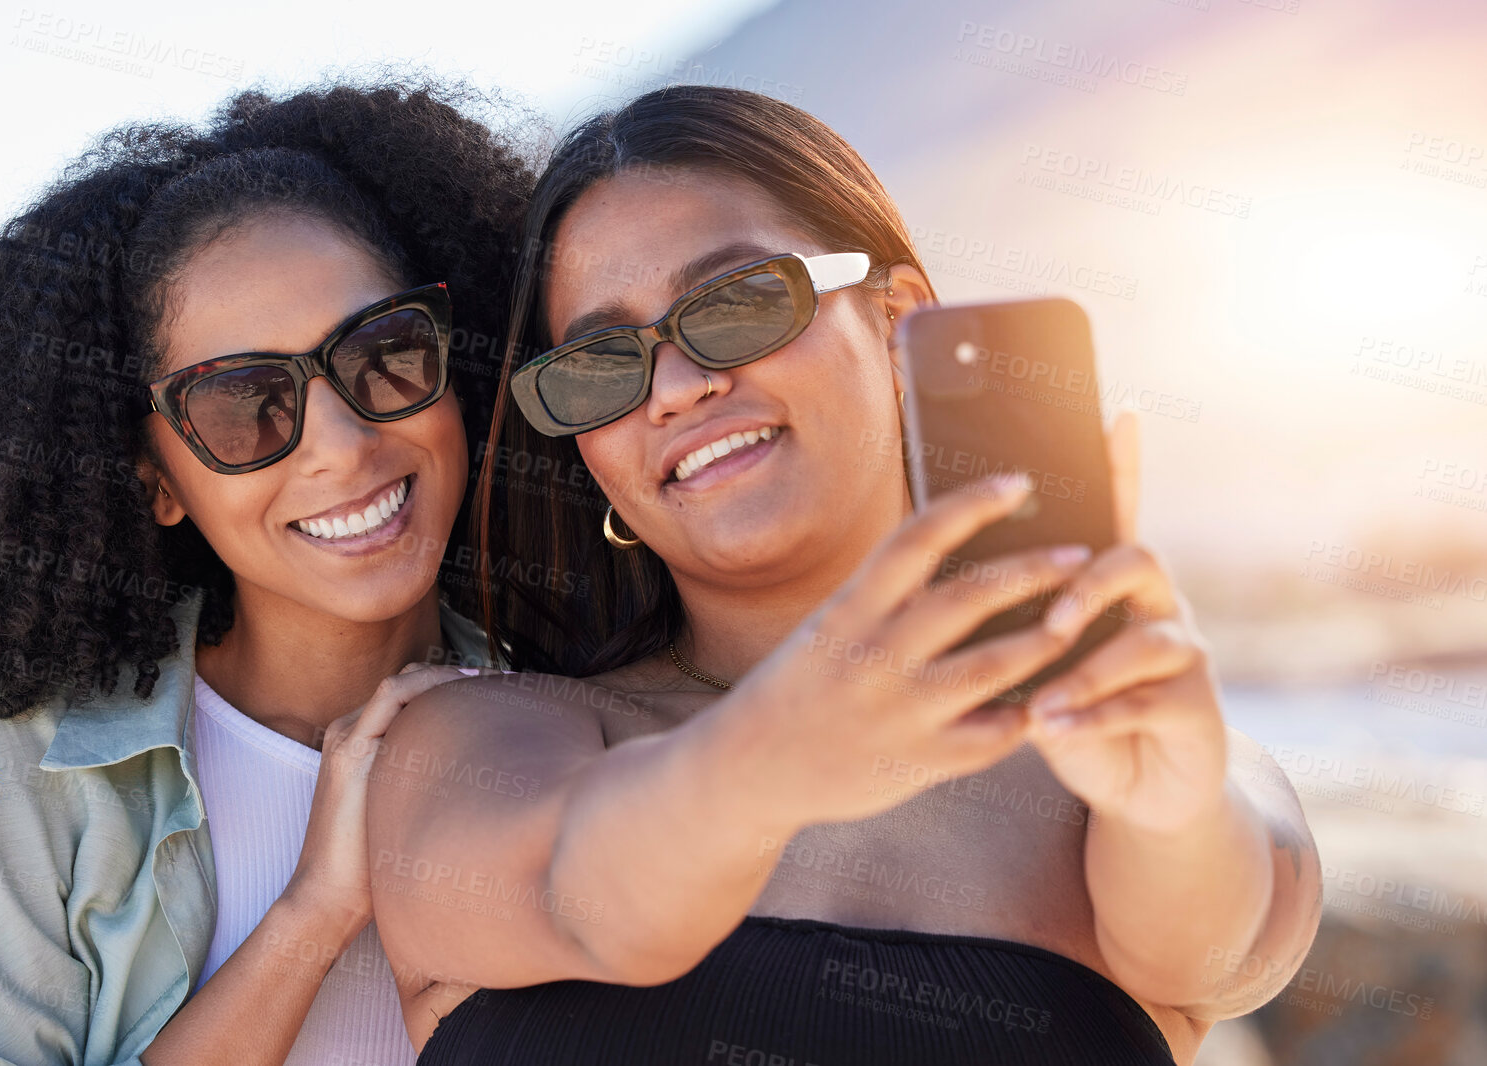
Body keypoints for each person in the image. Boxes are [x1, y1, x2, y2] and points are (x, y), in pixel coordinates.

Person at [367, 85, 1321, 1066]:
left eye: (737, 302)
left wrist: (1171, 807)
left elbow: (1232, 951)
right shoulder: (486, 740)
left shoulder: (1129, 765)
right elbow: (585, 901)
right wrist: (775, 754)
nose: (680, 387)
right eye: (603, 363)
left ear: (900, 319)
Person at [0, 81, 534, 1065]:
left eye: (383, 352)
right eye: (243, 404)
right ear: (156, 481)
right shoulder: (14, 786)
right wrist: (314, 916)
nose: (343, 446)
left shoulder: (577, 691)